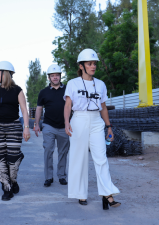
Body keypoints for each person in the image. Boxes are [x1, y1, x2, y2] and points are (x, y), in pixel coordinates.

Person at [64, 49, 121, 210]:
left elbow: (103, 107)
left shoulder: (101, 84)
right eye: (89, 64)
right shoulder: (73, 83)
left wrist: (109, 126)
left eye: (94, 63)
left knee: (101, 157)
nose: (93, 66)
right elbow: (68, 105)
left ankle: (107, 194)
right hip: (79, 119)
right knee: (79, 158)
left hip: (96, 120)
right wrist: (66, 122)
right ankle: (81, 193)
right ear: (81, 66)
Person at [0, 61, 30, 201]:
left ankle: (13, 180)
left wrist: (26, 128)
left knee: (13, 159)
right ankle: (7, 187)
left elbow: (24, 111)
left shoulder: (18, 90)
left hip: (13, 127)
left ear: (5, 74)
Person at [33, 64, 69, 187]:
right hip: (48, 125)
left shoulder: (68, 90)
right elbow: (39, 109)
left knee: (63, 152)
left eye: (57, 75)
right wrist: (37, 124)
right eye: (52, 75)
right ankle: (48, 177)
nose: (55, 77)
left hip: (64, 126)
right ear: (49, 77)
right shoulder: (43, 92)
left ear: (60, 76)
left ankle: (62, 176)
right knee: (48, 150)